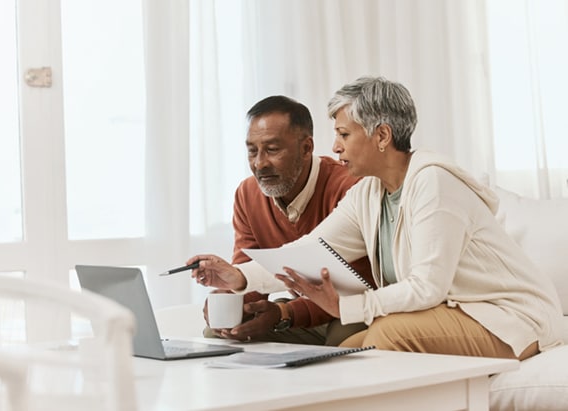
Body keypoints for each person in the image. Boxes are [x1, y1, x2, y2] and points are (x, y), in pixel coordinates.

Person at [189, 76, 564, 359]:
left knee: (384, 336)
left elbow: (426, 288)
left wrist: (348, 308)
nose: (334, 147)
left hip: (509, 318)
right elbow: (313, 249)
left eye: (343, 133)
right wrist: (238, 276)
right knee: (337, 360)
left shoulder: (434, 183)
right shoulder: (369, 192)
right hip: (454, 314)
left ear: (382, 135)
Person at [203, 95, 372, 345]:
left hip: (351, 307)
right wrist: (232, 300)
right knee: (221, 333)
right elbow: (247, 265)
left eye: (272, 150)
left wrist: (285, 314)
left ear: (306, 148)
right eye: (252, 151)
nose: (260, 164)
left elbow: (360, 284)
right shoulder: (247, 194)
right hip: (298, 309)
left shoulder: (350, 187)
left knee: (341, 337)